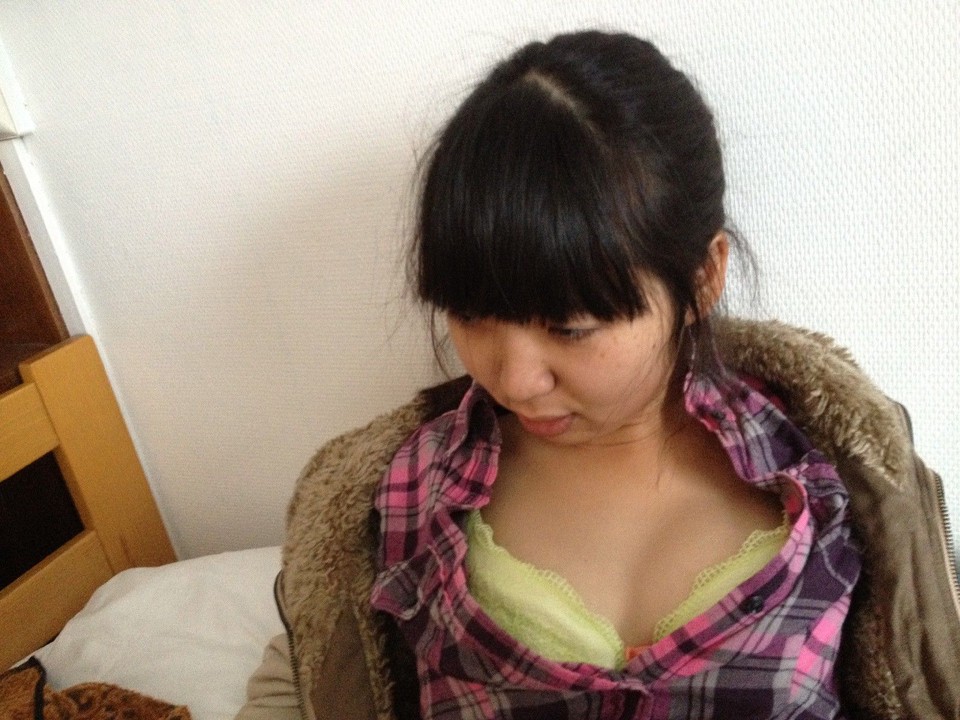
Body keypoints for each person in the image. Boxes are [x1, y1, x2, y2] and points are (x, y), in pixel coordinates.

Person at [238, 30, 959, 720]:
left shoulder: (837, 474)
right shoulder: (396, 496)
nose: (515, 380)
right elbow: (303, 673)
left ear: (702, 278)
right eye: (472, 315)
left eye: (571, 328)